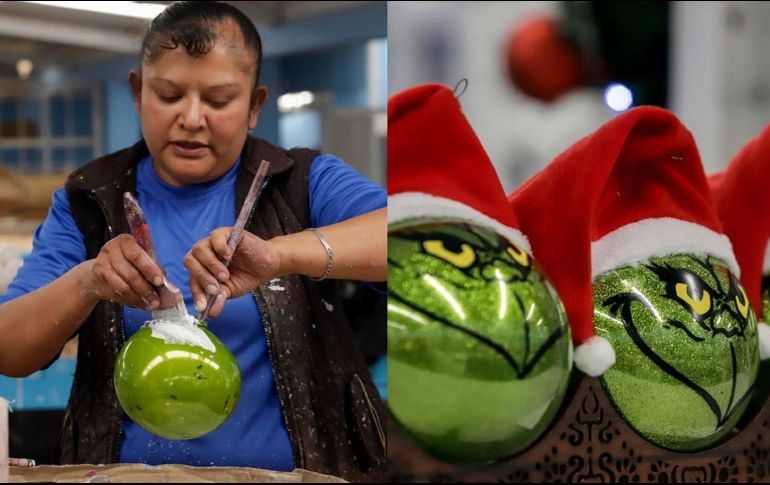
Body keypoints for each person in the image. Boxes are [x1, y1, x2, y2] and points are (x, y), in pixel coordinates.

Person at [0, 1, 386, 481]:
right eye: (168, 94)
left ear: (255, 106)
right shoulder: (87, 202)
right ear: (138, 93)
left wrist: (280, 254)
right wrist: (88, 281)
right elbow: (9, 349)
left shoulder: (304, 182)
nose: (192, 118)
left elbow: (413, 240)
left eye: (220, 100)